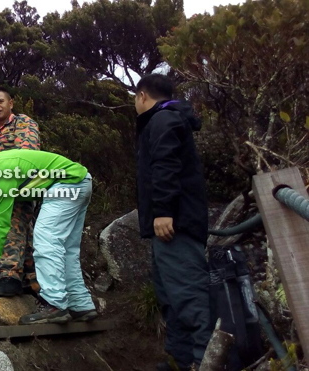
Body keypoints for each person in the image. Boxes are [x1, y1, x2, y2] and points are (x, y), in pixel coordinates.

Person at [0, 147, 98, 324]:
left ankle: (54, 304)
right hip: (80, 181)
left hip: (67, 184)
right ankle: (81, 305)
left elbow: (1, 227)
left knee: (45, 241)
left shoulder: (0, 174)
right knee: (67, 250)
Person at [134, 74, 211, 371]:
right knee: (170, 296)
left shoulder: (164, 120)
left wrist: (163, 211)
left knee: (189, 296)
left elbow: (165, 165)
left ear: (142, 96)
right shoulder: (164, 120)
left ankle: (207, 362)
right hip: (170, 226)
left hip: (174, 224)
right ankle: (182, 361)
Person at [0, 86, 41, 297]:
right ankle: (34, 283)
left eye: (0, 101)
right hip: (1, 192)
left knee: (11, 229)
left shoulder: (22, 123)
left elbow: (26, 154)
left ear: (10, 103)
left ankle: (10, 277)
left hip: (21, 188)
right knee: (26, 234)